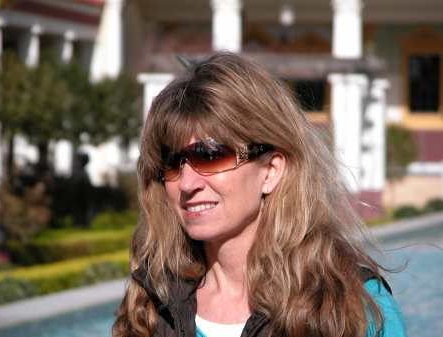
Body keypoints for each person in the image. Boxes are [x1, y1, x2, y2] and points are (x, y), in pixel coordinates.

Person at [113, 53, 407, 337]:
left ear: (271, 171)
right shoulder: (151, 307)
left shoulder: (352, 307)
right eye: (173, 161)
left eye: (210, 155)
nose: (187, 183)